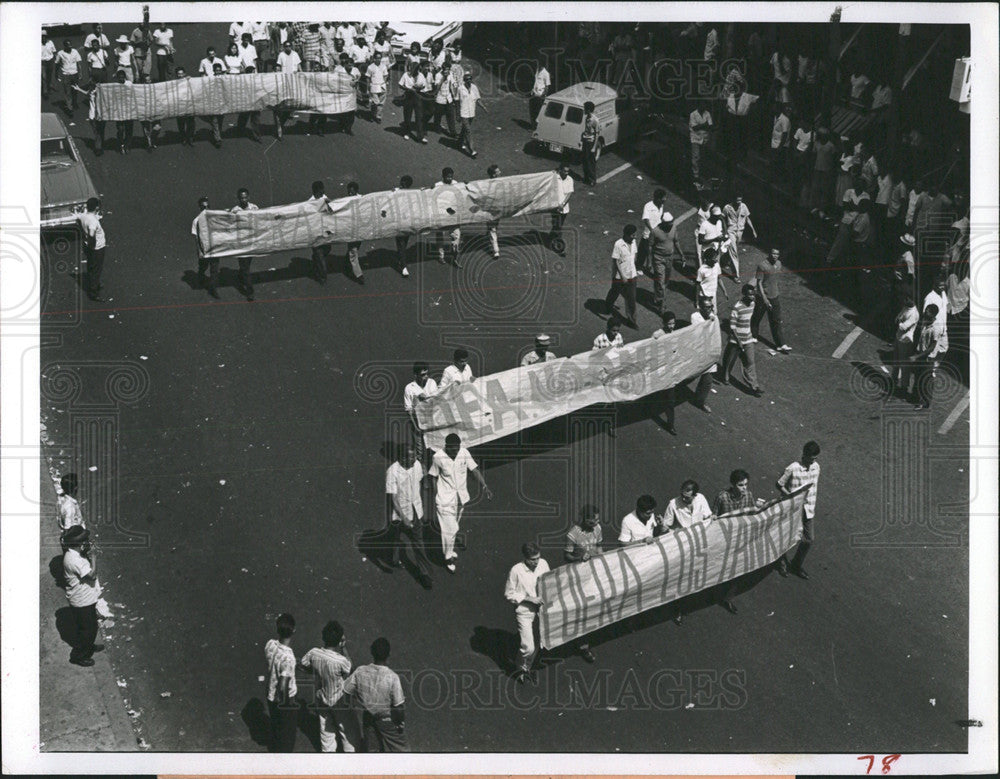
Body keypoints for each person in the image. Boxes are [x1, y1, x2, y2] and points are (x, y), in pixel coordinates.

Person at [429, 433, 492, 572]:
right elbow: (433, 476)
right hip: (444, 500)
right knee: (450, 530)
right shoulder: (438, 457)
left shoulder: (464, 452)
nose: (456, 451)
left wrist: (484, 486)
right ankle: (447, 558)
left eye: (457, 448)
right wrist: (436, 494)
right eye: (453, 449)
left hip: (460, 498)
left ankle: (449, 551)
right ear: (446, 446)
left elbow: (474, 469)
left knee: (453, 527)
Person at [712, 469, 763, 614]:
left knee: (737, 570)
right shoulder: (722, 497)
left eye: (746, 484)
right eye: (741, 485)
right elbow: (714, 516)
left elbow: (752, 513)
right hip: (724, 538)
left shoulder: (749, 495)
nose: (744, 488)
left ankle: (727, 598)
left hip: (741, 538)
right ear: (733, 485)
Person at [343, 638, 408, 752]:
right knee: (402, 751)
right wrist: (399, 722)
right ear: (389, 654)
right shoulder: (392, 677)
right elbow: (398, 707)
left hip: (368, 718)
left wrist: (359, 698)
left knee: (373, 752)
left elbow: (347, 691)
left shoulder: (360, 671)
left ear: (371, 652)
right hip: (388, 720)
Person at [299, 621, 356, 752]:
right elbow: (351, 669)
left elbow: (302, 666)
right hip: (340, 702)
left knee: (326, 736)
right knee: (347, 735)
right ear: (339, 640)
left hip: (322, 700)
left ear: (323, 637)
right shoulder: (341, 661)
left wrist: (316, 671)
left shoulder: (313, 653)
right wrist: (344, 648)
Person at [386, 444, 433, 590]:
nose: (413, 459)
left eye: (414, 456)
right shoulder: (392, 472)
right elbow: (393, 499)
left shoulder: (417, 465)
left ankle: (425, 574)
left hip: (415, 510)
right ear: (401, 457)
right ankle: (394, 559)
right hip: (399, 512)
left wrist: (426, 480)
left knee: (418, 542)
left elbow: (421, 476)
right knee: (395, 537)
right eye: (410, 457)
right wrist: (404, 518)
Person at [505, 541, 550, 684]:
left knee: (538, 642)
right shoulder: (516, 571)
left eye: (538, 557)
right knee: (528, 647)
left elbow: (548, 581)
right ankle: (519, 667)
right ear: (525, 557)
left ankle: (526, 668)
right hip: (525, 611)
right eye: (533, 559)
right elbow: (509, 594)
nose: (536, 562)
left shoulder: (543, 564)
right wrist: (529, 599)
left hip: (542, 610)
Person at [776, 441, 821, 579]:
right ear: (804, 455)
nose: (813, 461)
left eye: (815, 458)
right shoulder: (793, 468)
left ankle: (796, 564)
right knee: (787, 538)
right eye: (811, 458)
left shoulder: (816, 467)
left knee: (808, 539)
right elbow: (779, 484)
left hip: (808, 508)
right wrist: (789, 496)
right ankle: (782, 563)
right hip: (792, 509)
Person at [563, 506, 602, 662]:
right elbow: (567, 556)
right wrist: (579, 558)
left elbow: (599, 547)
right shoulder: (573, 535)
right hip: (577, 574)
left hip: (593, 571)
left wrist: (603, 559)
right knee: (581, 608)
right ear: (586, 520)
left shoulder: (597, 528)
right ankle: (582, 645)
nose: (598, 522)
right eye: (595, 520)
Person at [61, 526, 102, 666]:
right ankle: (78, 655)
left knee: (90, 626)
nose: (87, 542)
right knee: (87, 629)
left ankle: (88, 646)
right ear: (79, 543)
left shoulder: (73, 554)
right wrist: (94, 557)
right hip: (81, 600)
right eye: (84, 540)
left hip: (84, 598)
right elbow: (92, 575)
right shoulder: (74, 560)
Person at [721, 284, 763, 396]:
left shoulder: (753, 304)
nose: (752, 297)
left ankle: (754, 386)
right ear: (744, 294)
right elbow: (732, 326)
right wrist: (738, 340)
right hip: (736, 340)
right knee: (730, 360)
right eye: (750, 295)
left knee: (750, 362)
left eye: (753, 294)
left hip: (748, 339)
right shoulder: (737, 307)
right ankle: (725, 377)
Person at [264, 613, 298, 752]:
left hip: (270, 693)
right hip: (284, 699)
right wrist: (284, 705)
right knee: (287, 733)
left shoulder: (270, 644)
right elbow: (283, 684)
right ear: (293, 630)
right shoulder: (288, 658)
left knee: (276, 726)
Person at [751, 247, 790, 351]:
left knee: (776, 320)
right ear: (769, 254)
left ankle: (780, 344)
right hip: (762, 297)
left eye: (777, 254)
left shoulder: (779, 264)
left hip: (774, 296)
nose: (775, 256)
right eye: (773, 253)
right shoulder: (762, 265)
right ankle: (753, 335)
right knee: (757, 317)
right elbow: (759, 283)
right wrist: (765, 299)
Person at [909, 304, 948, 410]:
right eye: (926, 309)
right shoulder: (926, 321)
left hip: (927, 358)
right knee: (918, 377)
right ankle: (918, 397)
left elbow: (931, 348)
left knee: (924, 380)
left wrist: (916, 356)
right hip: (921, 354)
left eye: (928, 311)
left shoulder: (935, 328)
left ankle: (923, 402)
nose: (925, 312)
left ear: (933, 314)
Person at [649, 213, 685, 314]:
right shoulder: (655, 231)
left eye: (671, 222)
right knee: (661, 282)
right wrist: (649, 261)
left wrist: (681, 255)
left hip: (669, 258)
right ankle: (661, 305)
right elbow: (650, 246)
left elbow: (676, 241)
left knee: (665, 281)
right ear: (663, 223)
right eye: (669, 223)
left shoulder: (673, 228)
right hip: (658, 258)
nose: (671, 225)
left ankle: (657, 297)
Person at [688, 295, 718, 413]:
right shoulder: (695, 317)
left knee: (708, 379)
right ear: (700, 307)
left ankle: (700, 401)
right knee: (688, 376)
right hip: (696, 351)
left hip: (708, 351)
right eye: (706, 307)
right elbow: (700, 330)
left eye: (711, 307)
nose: (709, 309)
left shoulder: (713, 318)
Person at [605, 224, 639, 328]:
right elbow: (616, 261)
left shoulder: (633, 243)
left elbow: (634, 255)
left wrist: (634, 269)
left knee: (631, 299)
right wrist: (623, 276)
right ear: (627, 235)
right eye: (633, 235)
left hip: (632, 275)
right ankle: (608, 304)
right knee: (615, 291)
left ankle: (632, 320)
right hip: (620, 276)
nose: (635, 237)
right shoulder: (618, 244)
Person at [650, 311, 678, 432]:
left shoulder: (676, 334)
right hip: (660, 369)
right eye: (669, 323)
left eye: (673, 323)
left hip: (670, 370)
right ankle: (650, 409)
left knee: (670, 399)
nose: (671, 326)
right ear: (663, 323)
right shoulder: (657, 334)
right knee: (658, 394)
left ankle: (670, 424)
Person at [403, 361, 437, 461]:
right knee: (420, 451)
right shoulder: (409, 388)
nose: (426, 377)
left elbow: (437, 402)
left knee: (434, 449)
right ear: (416, 375)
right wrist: (415, 427)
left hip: (432, 423)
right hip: (417, 424)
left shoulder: (432, 383)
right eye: (423, 375)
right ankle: (421, 472)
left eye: (427, 374)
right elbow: (408, 410)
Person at [231, 188, 259, 301]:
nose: (243, 200)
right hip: (241, 243)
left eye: (245, 197)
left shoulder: (255, 208)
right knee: (245, 267)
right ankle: (249, 290)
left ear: (248, 197)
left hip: (251, 242)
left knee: (246, 264)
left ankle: (241, 274)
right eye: (241, 198)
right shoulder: (235, 211)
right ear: (238, 198)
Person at [76, 197, 106, 302]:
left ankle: (94, 284)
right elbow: (92, 233)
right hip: (97, 248)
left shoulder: (84, 216)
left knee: (91, 266)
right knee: (96, 269)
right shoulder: (93, 221)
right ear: (96, 207)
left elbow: (78, 221)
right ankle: (94, 292)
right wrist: (92, 243)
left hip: (88, 246)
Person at [890, 293, 919, 397]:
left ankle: (904, 386)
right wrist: (899, 321)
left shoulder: (914, 314)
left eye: (907, 299)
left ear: (912, 300)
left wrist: (899, 322)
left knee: (904, 364)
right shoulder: (906, 307)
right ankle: (893, 381)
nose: (905, 300)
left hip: (906, 341)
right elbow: (897, 318)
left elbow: (903, 326)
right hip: (899, 338)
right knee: (896, 361)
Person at [433, 168, 463, 267]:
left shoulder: (456, 184)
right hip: (441, 214)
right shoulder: (437, 185)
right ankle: (441, 256)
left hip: (453, 215)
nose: (450, 179)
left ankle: (454, 257)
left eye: (451, 176)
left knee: (457, 236)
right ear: (443, 176)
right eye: (447, 177)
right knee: (440, 236)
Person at [191, 196, 219, 298]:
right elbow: (196, 238)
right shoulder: (196, 221)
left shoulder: (214, 219)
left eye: (208, 207)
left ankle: (213, 289)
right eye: (203, 207)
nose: (206, 210)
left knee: (214, 269)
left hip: (214, 248)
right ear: (200, 208)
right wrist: (200, 251)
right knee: (203, 267)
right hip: (204, 250)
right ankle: (200, 276)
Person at [306, 181, 333, 284]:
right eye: (321, 191)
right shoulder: (310, 203)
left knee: (327, 249)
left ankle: (317, 263)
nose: (323, 193)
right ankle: (322, 276)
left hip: (325, 231)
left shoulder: (324, 198)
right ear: (316, 192)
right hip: (316, 232)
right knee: (320, 254)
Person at [457, 72, 485, 158]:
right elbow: (457, 101)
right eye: (466, 80)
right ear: (464, 81)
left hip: (471, 112)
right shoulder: (460, 89)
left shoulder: (474, 88)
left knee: (464, 129)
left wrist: (483, 107)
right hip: (463, 113)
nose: (468, 81)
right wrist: (457, 114)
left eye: (470, 79)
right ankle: (472, 150)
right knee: (468, 130)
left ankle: (459, 143)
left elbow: (477, 99)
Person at [639, 189, 666, 274]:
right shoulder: (648, 206)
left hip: (657, 232)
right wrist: (652, 230)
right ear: (658, 198)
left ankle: (649, 265)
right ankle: (639, 266)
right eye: (663, 198)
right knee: (644, 249)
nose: (665, 200)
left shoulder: (661, 206)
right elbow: (646, 219)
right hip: (648, 233)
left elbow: (660, 217)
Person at [549, 163, 574, 257]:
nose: (566, 173)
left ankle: (552, 237)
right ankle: (560, 247)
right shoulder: (555, 177)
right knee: (558, 226)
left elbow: (569, 194)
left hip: (564, 208)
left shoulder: (570, 180)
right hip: (555, 207)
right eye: (565, 171)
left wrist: (563, 204)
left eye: (568, 171)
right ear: (560, 170)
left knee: (557, 225)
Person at [343, 181, 366, 283]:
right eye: (349, 192)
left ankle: (346, 261)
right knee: (353, 251)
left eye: (351, 192)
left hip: (360, 229)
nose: (350, 194)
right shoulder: (346, 201)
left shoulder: (362, 199)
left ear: (356, 191)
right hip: (351, 230)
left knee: (355, 248)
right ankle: (358, 274)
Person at [431, 55, 459, 138]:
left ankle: (453, 132)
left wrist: (455, 88)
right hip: (440, 98)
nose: (447, 71)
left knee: (450, 115)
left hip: (448, 98)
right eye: (445, 69)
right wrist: (443, 78)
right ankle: (437, 127)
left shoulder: (450, 74)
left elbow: (454, 83)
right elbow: (436, 87)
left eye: (448, 69)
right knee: (438, 114)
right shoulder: (438, 75)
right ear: (442, 69)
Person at [695, 248, 729, 315]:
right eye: (714, 258)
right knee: (706, 314)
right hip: (704, 296)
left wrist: (724, 291)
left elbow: (719, 279)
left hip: (713, 294)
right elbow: (697, 285)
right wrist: (696, 300)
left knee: (714, 312)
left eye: (716, 257)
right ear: (708, 259)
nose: (716, 260)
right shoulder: (701, 270)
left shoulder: (717, 265)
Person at [393, 175, 414, 276]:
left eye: (404, 183)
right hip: (399, 222)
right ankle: (403, 266)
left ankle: (400, 259)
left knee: (403, 244)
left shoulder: (411, 194)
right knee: (401, 243)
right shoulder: (396, 191)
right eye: (401, 182)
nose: (401, 184)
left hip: (407, 222)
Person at [398, 61, 425, 143]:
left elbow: (424, 85)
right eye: (412, 69)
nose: (413, 71)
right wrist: (408, 89)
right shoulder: (406, 75)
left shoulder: (421, 75)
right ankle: (407, 132)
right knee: (407, 115)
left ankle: (420, 136)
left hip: (418, 96)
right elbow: (400, 84)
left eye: (415, 69)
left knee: (419, 116)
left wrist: (419, 88)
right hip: (408, 96)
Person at [55, 40, 83, 112]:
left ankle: (74, 102)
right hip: (66, 75)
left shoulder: (75, 52)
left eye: (71, 45)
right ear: (65, 46)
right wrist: (56, 74)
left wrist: (80, 73)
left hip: (74, 74)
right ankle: (69, 107)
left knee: (75, 90)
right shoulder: (60, 53)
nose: (70, 47)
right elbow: (57, 64)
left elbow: (79, 63)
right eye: (68, 45)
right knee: (67, 92)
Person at [688, 103, 712, 184]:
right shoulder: (693, 114)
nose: (703, 107)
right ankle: (696, 175)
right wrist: (704, 125)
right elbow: (694, 127)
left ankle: (703, 173)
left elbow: (710, 125)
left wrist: (701, 126)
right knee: (696, 156)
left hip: (705, 138)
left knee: (704, 156)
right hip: (696, 137)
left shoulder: (707, 113)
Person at [173, 67, 196, 145]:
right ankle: (183, 138)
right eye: (178, 74)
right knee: (181, 123)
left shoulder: (189, 80)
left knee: (191, 123)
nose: (180, 75)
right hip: (179, 105)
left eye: (182, 73)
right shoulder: (174, 83)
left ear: (184, 74)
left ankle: (190, 138)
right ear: (176, 75)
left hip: (189, 104)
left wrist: (190, 79)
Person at [484, 163, 503, 259]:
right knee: (493, 229)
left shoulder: (500, 182)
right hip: (491, 210)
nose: (500, 172)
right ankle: (496, 251)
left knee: (493, 227)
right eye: (498, 171)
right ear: (494, 174)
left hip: (498, 209)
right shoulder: (489, 185)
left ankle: (488, 236)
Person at [366, 50, 389, 123]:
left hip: (382, 86)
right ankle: (373, 114)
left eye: (380, 58)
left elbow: (385, 75)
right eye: (377, 58)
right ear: (374, 58)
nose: (378, 59)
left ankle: (378, 116)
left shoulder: (383, 66)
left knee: (381, 103)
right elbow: (368, 78)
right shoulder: (370, 67)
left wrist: (383, 83)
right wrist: (368, 88)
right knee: (375, 102)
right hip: (374, 86)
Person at [581, 101, 600, 185]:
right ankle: (586, 178)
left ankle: (592, 179)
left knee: (590, 162)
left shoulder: (594, 120)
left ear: (588, 110)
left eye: (585, 108)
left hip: (590, 142)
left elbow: (597, 133)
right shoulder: (587, 118)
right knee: (585, 160)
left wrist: (594, 147)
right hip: (585, 141)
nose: (584, 110)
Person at [529, 58, 550, 128]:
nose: (538, 65)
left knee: (538, 112)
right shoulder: (537, 70)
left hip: (540, 95)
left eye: (540, 64)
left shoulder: (546, 74)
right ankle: (532, 125)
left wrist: (543, 95)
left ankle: (537, 127)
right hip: (534, 93)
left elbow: (547, 87)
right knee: (532, 110)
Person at [42, 32, 58, 97]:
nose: (44, 37)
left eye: (45, 36)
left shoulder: (50, 42)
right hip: (42, 62)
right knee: (44, 76)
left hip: (50, 61)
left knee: (50, 75)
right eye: (42, 36)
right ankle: (45, 90)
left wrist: (57, 60)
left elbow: (54, 51)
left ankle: (50, 86)